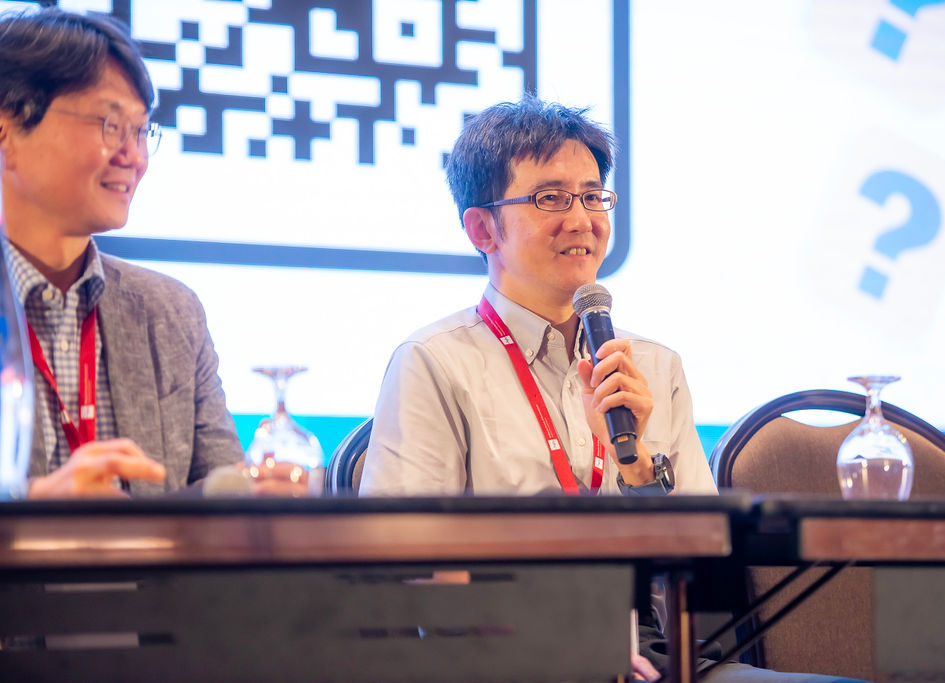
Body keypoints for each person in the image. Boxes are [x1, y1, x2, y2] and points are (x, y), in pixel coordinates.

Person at [359, 95, 863, 682]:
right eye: (550, 198)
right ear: (482, 228)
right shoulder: (434, 362)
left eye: (593, 196)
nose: (582, 220)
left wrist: (640, 468)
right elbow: (405, 564)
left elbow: (708, 556)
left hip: (650, 655)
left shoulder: (653, 365)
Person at [0, 7, 243, 498]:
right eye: (110, 124)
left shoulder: (171, 312)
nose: (134, 157)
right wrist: (36, 508)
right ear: (6, 132)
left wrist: (257, 493)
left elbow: (219, 494)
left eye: (141, 130)